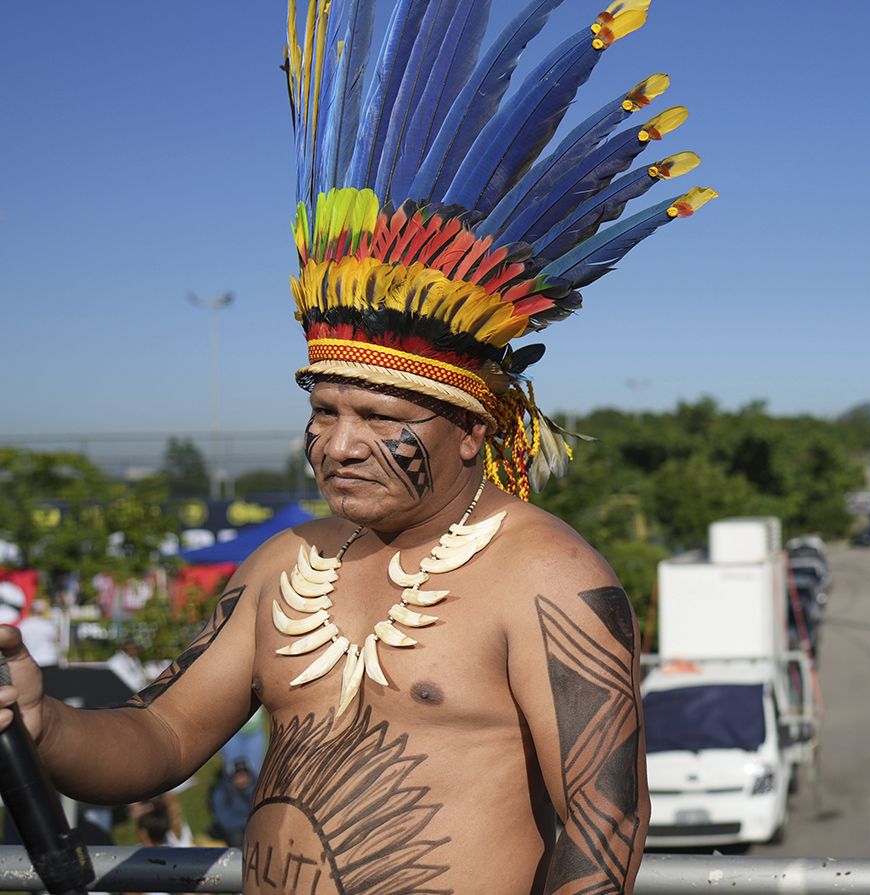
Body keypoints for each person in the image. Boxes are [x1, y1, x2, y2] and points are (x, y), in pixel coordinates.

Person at [0, 1, 717, 892]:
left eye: (381, 419)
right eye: (326, 410)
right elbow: (161, 738)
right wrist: (45, 723)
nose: (339, 444)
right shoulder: (283, 565)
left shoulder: (546, 574)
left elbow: (603, 833)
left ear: (471, 431)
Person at [207, 760, 257, 847]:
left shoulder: (257, 788)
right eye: (238, 776)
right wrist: (250, 820)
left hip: (252, 826)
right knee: (237, 838)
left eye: (244, 775)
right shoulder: (222, 791)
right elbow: (225, 821)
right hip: (233, 831)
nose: (242, 779)